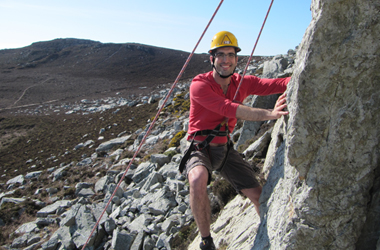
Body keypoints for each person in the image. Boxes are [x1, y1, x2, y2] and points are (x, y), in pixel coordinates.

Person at [179, 31, 291, 250]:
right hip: (199, 147)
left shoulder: (243, 83)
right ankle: (206, 240)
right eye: (220, 54)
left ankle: (272, 239)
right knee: (197, 178)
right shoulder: (199, 85)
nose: (226, 60)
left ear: (236, 59)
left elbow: (275, 84)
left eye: (230, 54)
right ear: (212, 58)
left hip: (224, 149)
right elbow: (228, 108)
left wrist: (303, 74)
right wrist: (270, 114)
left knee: (258, 195)